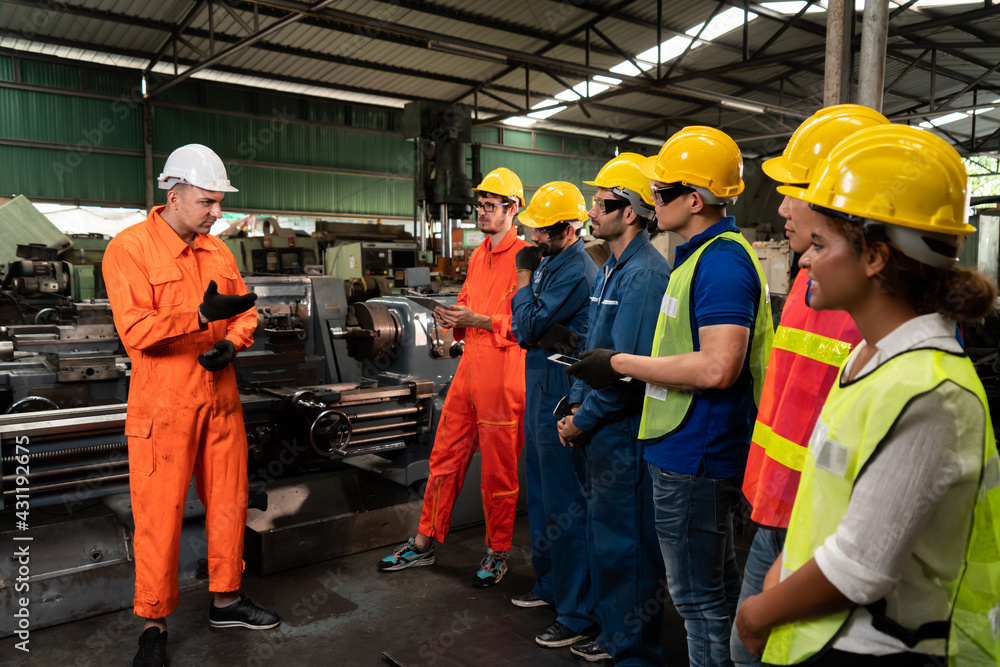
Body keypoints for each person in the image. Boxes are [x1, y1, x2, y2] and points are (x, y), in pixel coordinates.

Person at [735, 125, 1000, 666]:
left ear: (876, 257)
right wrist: (780, 569)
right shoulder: (871, 358)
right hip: (822, 633)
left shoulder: (932, 394)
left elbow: (861, 567)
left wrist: (755, 613)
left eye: (821, 245)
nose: (804, 260)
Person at [568, 127, 774, 667]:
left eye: (659, 193)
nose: (651, 201)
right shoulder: (695, 257)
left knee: (696, 602)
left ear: (695, 199)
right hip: (682, 448)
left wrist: (616, 364)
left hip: (697, 454)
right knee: (715, 592)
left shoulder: (722, 262)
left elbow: (719, 365)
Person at [103, 144, 279, 667]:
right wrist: (200, 318)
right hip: (164, 405)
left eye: (219, 201)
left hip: (220, 399)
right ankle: (153, 624)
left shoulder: (217, 251)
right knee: (160, 514)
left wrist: (234, 341)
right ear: (173, 194)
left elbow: (245, 311)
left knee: (228, 502)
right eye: (207, 201)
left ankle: (225, 599)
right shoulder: (129, 250)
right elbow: (136, 332)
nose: (216, 212)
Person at [731, 105, 888, 666]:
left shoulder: (884, 315)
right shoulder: (807, 278)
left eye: (794, 188)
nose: (780, 205)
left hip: (825, 530)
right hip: (777, 508)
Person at [377, 167, 529, 587]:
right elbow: (466, 303)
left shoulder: (527, 258)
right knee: (444, 459)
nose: (481, 212)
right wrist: (449, 317)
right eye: (479, 205)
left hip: (503, 376)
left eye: (489, 205)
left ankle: (498, 552)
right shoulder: (479, 255)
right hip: (468, 373)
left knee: (499, 472)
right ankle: (424, 543)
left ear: (512, 208)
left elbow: (528, 325)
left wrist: (478, 319)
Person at [556, 153, 671, 665]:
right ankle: (610, 632)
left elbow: (627, 372)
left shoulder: (645, 275)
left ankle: (634, 648)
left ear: (629, 212)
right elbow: (595, 353)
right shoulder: (609, 268)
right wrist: (575, 406)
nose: (591, 211)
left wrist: (583, 419)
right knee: (603, 537)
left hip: (620, 431)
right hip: (597, 427)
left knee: (627, 545)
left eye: (601, 202)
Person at [510, 181, 599, 649]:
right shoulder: (551, 262)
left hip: (561, 387)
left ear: (568, 229)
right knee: (542, 497)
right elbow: (525, 328)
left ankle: (577, 611)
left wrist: (523, 286)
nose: (533, 240)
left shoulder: (575, 270)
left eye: (543, 232)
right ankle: (550, 586)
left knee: (567, 503)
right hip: (538, 381)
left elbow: (526, 324)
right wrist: (531, 320)